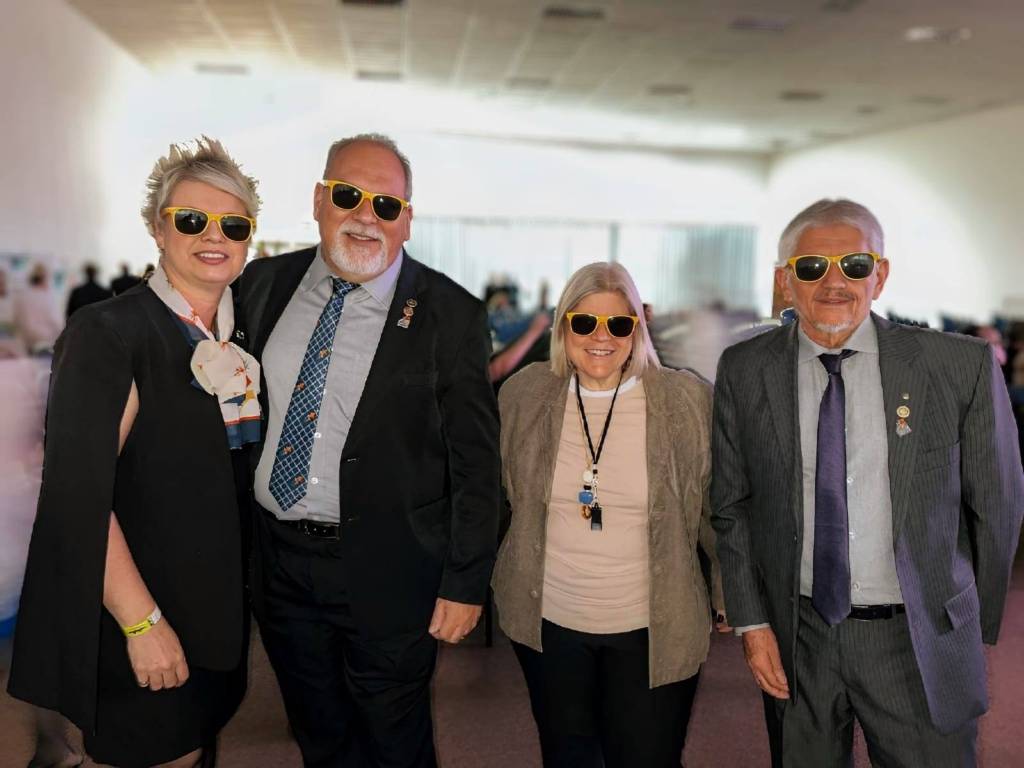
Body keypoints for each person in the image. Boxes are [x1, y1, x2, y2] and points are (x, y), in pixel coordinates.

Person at [711, 198, 1024, 766]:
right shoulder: (744, 368)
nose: (834, 282)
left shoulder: (958, 366)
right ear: (784, 281)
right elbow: (732, 506)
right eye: (811, 267)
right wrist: (753, 623)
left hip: (915, 639)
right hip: (799, 635)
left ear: (880, 275)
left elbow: (997, 503)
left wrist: (960, 620)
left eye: (854, 265)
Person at [238, 133, 500, 768]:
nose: (365, 216)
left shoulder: (451, 314)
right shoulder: (260, 285)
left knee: (394, 740)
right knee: (319, 733)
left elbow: (476, 465)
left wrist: (465, 584)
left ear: (406, 220)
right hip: (280, 564)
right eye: (348, 195)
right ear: (319, 200)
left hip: (393, 570)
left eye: (386, 204)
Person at [7, 136, 262, 768]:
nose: (214, 235)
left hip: (211, 612)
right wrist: (141, 623)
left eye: (233, 224)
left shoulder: (235, 338)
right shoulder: (112, 332)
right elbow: (77, 497)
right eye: (191, 219)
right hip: (138, 608)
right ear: (158, 227)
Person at [493, 262, 724, 768]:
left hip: (653, 626)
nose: (602, 337)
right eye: (585, 323)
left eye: (619, 324)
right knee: (567, 755)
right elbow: (499, 495)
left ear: (637, 329)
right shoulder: (524, 395)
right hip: (550, 624)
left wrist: (731, 596)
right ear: (563, 326)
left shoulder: (686, 400)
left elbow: (715, 507)